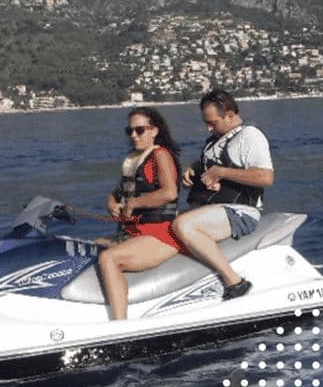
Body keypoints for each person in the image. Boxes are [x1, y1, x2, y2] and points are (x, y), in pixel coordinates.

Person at [171, 89, 274, 300]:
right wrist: (193, 170)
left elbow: (265, 177)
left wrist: (221, 172)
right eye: (206, 122)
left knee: (183, 225)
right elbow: (212, 165)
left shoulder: (250, 136)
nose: (208, 127)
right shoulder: (214, 140)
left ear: (229, 114)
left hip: (240, 213)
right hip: (210, 209)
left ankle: (235, 283)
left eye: (212, 122)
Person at [98, 106, 186, 320]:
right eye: (130, 131)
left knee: (108, 258)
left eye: (140, 130)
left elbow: (169, 192)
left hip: (161, 234)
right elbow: (117, 193)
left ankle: (120, 326)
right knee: (91, 247)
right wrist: (113, 204)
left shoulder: (160, 155)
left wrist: (135, 202)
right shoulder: (133, 160)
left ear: (154, 130)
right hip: (134, 232)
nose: (134, 135)